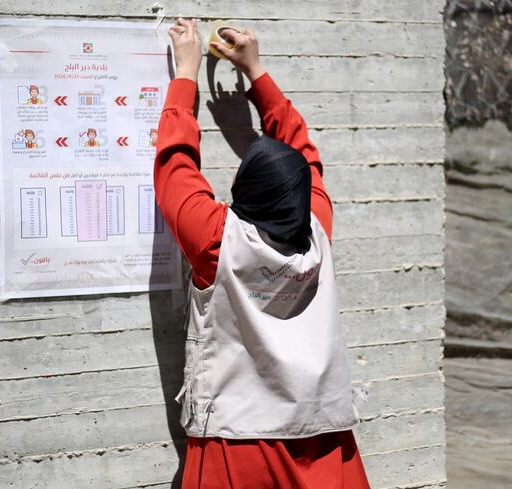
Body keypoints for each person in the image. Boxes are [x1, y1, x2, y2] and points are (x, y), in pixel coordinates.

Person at [155, 18, 371, 489]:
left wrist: (185, 74)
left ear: (240, 189)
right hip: (324, 443)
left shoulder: (217, 240)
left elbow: (174, 163)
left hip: (238, 447)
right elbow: (304, 154)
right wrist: (256, 71)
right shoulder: (318, 230)